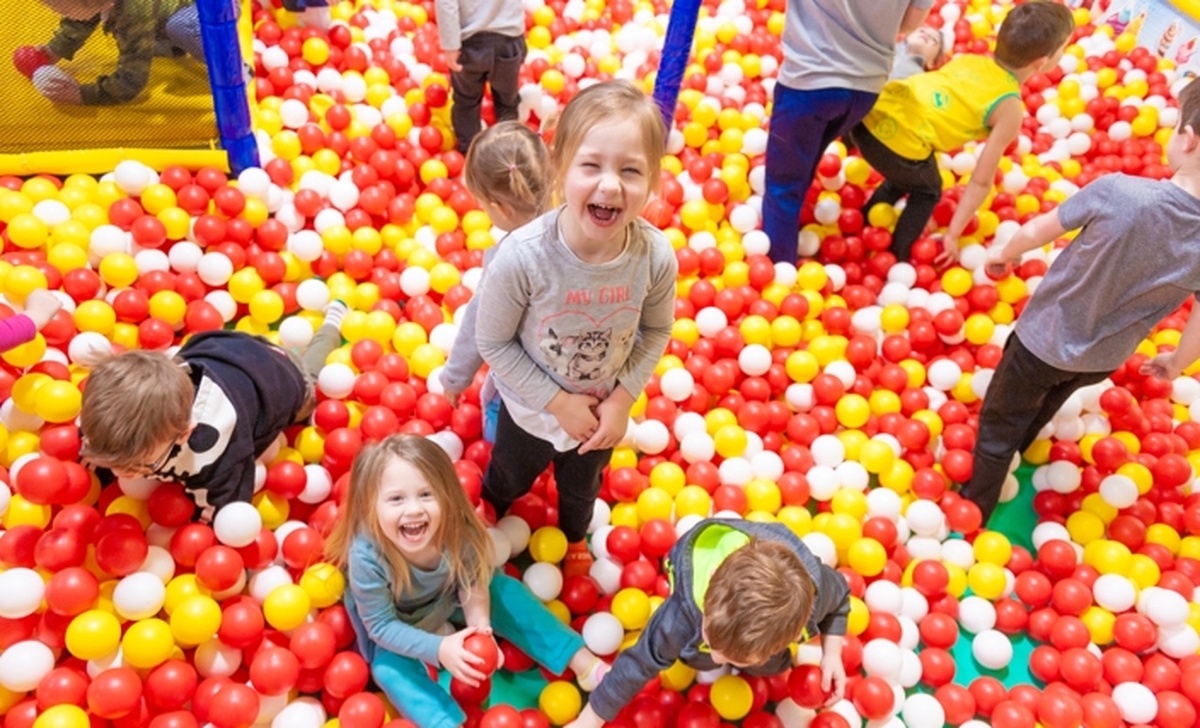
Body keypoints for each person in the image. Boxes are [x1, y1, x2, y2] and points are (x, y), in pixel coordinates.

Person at [961, 79, 1200, 525]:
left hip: (1041, 342)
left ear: (1187, 138)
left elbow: (1037, 231)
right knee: (1053, 394)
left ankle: (975, 504)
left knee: (998, 422)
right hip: (1099, 358)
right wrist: (1177, 362)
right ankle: (1027, 437)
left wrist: (1003, 254)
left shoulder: (1120, 191)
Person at [473, 80, 677, 578]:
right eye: (592, 166)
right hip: (532, 410)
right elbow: (493, 341)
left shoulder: (653, 256)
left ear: (652, 182)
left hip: (600, 417)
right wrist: (557, 403)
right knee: (510, 471)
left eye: (631, 171)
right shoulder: (521, 257)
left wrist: (623, 399)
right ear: (560, 166)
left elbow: (655, 330)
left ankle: (573, 531)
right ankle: (493, 503)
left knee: (582, 485)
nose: (611, 185)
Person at [324, 435, 610, 728]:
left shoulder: (457, 529)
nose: (414, 509)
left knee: (504, 589)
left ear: (447, 496)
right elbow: (381, 626)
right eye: (396, 499)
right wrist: (439, 649)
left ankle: (585, 665)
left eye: (426, 494)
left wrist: (480, 628)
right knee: (387, 669)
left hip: (447, 598)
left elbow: (473, 581)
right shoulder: (366, 555)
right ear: (371, 507)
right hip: (400, 623)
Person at [566, 519, 852, 728]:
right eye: (714, 643)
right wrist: (588, 720)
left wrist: (832, 654)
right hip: (700, 573)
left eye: (731, 656)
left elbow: (841, 598)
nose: (717, 658)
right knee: (693, 654)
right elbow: (637, 664)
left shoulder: (818, 597)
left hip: (770, 578)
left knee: (776, 665)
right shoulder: (681, 615)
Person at [78, 303, 348, 522]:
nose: (119, 472)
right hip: (226, 349)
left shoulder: (215, 453)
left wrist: (202, 520)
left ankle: (331, 325)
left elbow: (227, 511)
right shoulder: (116, 410)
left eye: (137, 466)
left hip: (283, 375)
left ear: (185, 434)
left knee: (311, 380)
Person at [850, 1, 1076, 263]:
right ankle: (895, 258)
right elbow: (981, 180)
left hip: (867, 117)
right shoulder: (1008, 108)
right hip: (895, 145)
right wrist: (953, 234)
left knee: (910, 173)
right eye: (1063, 49)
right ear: (1042, 62)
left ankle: (866, 218)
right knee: (928, 191)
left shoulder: (969, 60)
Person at [762, 0, 933, 264]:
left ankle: (778, 269)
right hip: (866, 87)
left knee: (782, 185)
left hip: (810, 80)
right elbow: (910, 22)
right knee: (807, 153)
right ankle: (793, 210)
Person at [440, 121, 550, 443]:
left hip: (524, 385)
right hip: (582, 379)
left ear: (500, 208)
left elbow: (481, 324)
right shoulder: (580, 224)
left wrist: (455, 378)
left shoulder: (508, 260)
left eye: (483, 205)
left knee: (501, 422)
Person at [32, 0, 205, 106]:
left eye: (64, 11)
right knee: (156, 41)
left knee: (182, 26)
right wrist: (54, 50)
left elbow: (131, 79)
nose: (61, 14)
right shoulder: (101, 2)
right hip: (159, 15)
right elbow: (80, 21)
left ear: (108, 4)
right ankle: (172, 44)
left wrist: (83, 95)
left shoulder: (133, 13)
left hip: (207, 9)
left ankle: (227, 65)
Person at [435, 0, 526, 153]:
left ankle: (471, 155)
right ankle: (509, 154)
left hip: (470, 43)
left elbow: (446, 4)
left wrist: (451, 45)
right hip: (508, 37)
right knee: (507, 101)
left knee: (466, 102)